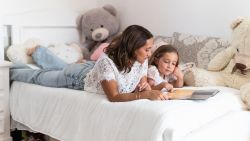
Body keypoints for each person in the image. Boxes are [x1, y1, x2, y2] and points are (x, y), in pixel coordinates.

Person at [10, 25, 169, 102]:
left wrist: (149, 86)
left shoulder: (142, 59)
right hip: (78, 77)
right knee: (39, 77)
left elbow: (141, 81)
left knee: (63, 66)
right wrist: (144, 95)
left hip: (92, 70)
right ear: (133, 47)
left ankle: (40, 52)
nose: (150, 54)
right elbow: (113, 96)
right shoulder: (107, 62)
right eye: (147, 49)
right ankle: (8, 70)